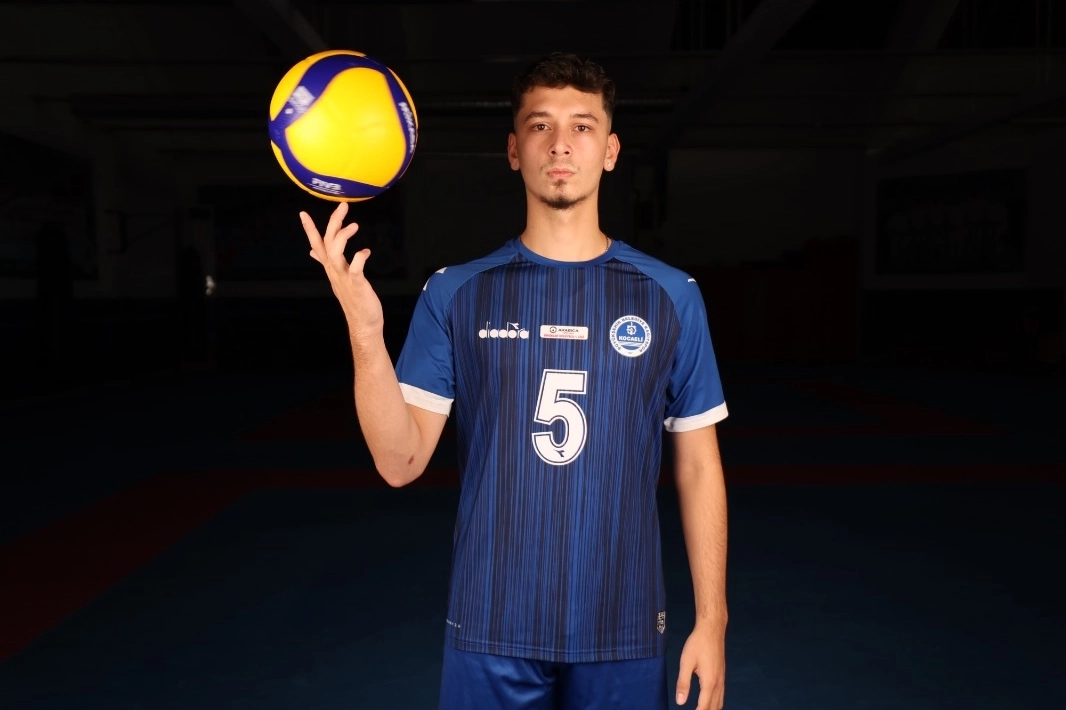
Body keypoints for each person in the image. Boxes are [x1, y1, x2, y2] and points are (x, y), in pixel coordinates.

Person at [301, 52, 729, 710]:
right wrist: (364, 330)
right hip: (490, 624)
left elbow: (698, 465)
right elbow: (398, 461)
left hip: (623, 624)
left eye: (582, 126)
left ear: (611, 151)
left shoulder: (672, 296)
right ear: (512, 150)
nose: (560, 144)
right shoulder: (456, 292)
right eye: (539, 125)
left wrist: (712, 619)